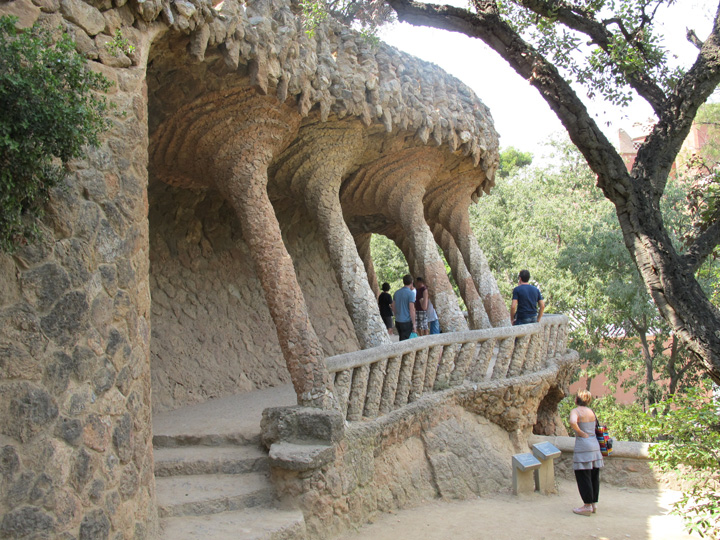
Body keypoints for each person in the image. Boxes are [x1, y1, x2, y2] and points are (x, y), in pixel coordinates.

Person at [569, 389, 604, 516]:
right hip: (595, 446)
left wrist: (580, 432)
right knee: (594, 475)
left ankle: (587, 506)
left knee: (583, 476)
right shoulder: (591, 412)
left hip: (583, 446)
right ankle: (593, 504)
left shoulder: (576, 411)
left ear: (577, 399)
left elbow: (573, 421)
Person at [392, 274, 416, 340]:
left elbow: (393, 307)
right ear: (412, 282)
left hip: (398, 321)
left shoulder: (396, 293)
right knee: (407, 341)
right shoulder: (411, 294)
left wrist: (396, 315)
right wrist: (414, 324)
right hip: (406, 321)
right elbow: (412, 310)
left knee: (401, 338)